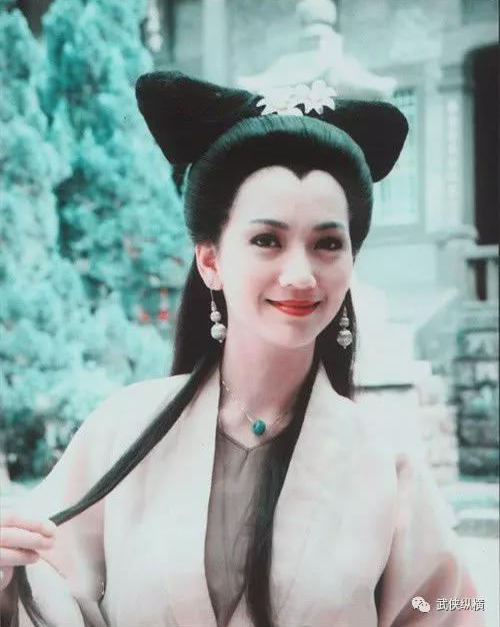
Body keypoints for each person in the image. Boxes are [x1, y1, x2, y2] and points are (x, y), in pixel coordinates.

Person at [0, 71, 483, 627]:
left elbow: (453, 606)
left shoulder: (385, 464)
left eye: (328, 243)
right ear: (210, 260)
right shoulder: (124, 430)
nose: (300, 275)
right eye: (266, 240)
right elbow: (44, 583)